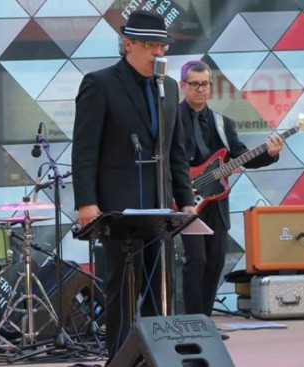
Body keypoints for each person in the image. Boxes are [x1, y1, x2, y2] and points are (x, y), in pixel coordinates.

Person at [72, 10, 196, 360]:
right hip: (116, 208)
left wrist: (185, 200)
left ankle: (157, 358)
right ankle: (121, 358)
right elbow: (84, 149)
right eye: (150, 45)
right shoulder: (100, 83)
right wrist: (86, 202)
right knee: (123, 290)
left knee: (161, 289)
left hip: (160, 207)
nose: (158, 52)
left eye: (161, 45)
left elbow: (176, 150)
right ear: (127, 45)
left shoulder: (169, 88)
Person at [178, 60, 283, 318]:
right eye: (194, 84)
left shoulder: (223, 123)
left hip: (216, 202)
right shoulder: (171, 119)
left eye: (205, 84)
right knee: (196, 260)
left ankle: (205, 321)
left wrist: (269, 154)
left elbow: (241, 156)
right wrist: (180, 190)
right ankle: (192, 321)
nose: (200, 89)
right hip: (184, 198)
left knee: (214, 263)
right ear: (183, 86)